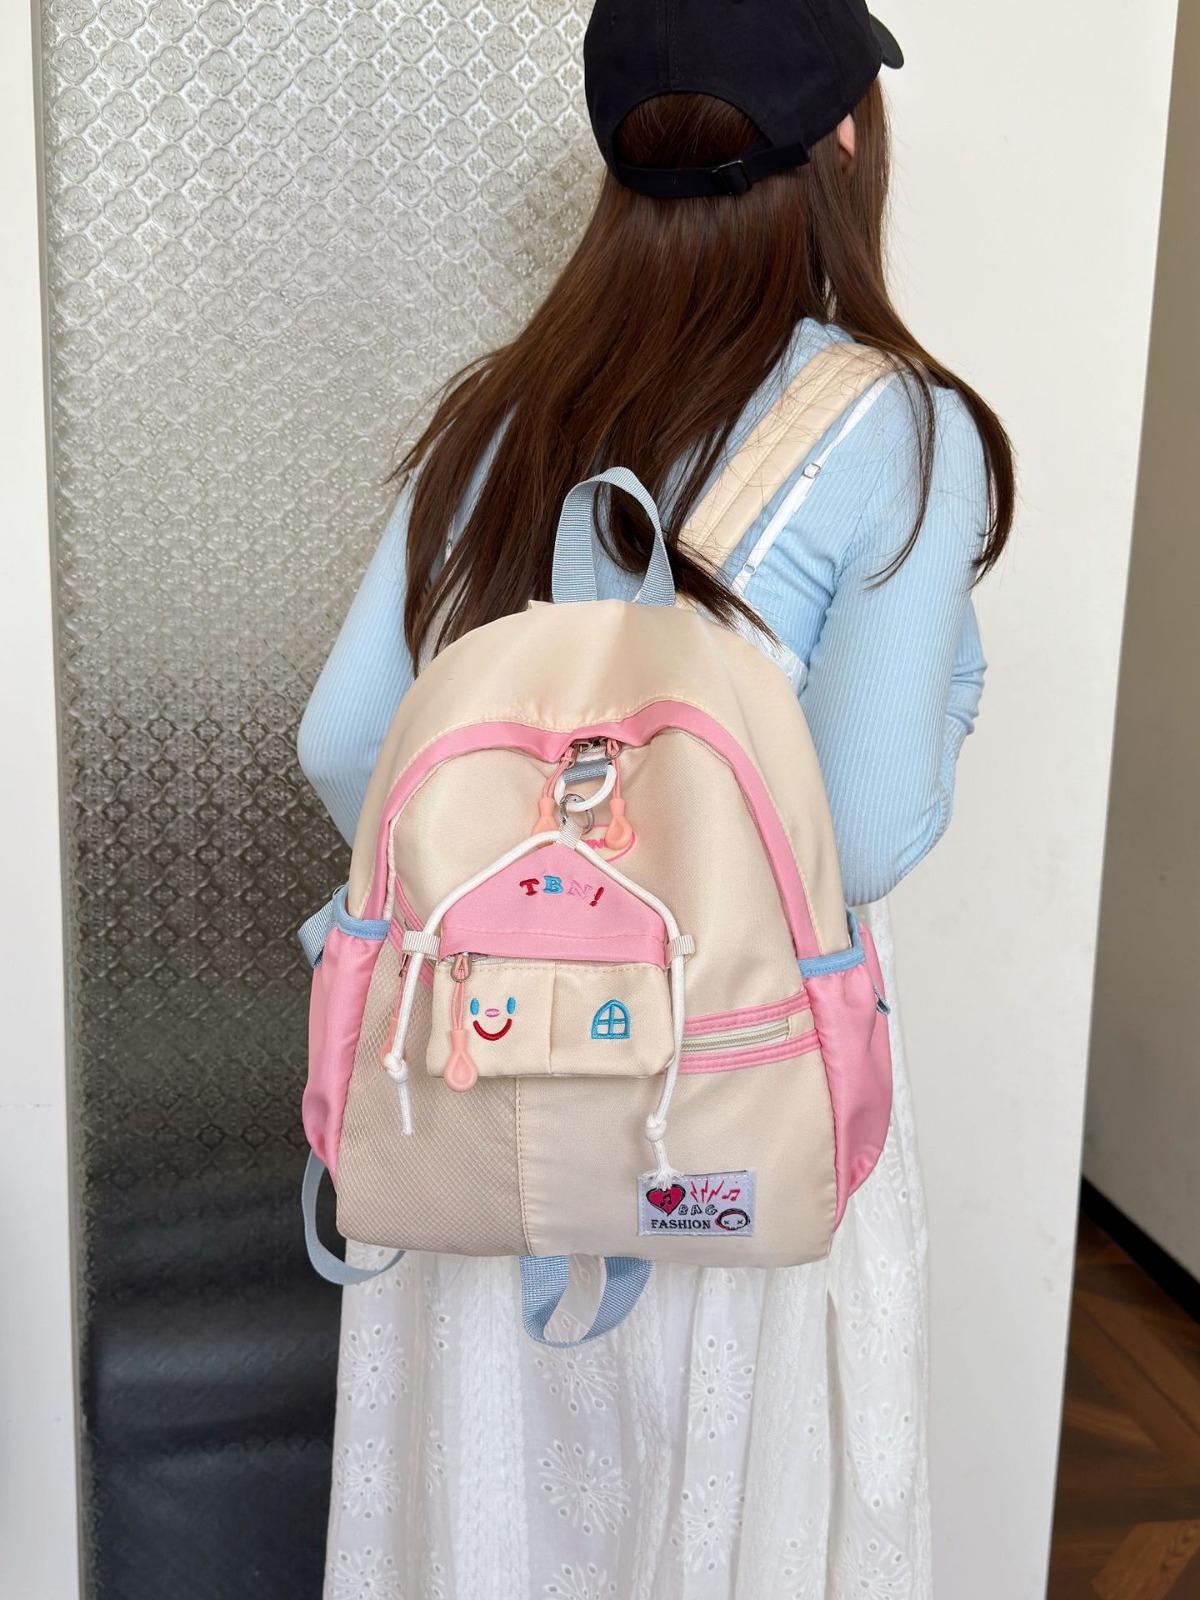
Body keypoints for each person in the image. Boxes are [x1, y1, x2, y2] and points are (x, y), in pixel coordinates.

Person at [298, 1, 1015, 1594]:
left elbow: (347, 743)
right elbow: (866, 833)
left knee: (494, 1532)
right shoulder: (897, 427)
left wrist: (521, 892)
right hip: (729, 1114)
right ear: (843, 137)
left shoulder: (502, 410)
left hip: (479, 1097)